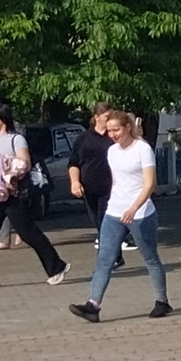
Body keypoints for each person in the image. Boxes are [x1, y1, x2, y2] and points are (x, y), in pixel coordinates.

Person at [69, 110, 168, 321]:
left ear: (128, 128)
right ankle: (93, 305)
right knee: (104, 259)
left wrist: (133, 208)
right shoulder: (112, 151)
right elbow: (116, 181)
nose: (113, 134)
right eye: (109, 131)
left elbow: (150, 184)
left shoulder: (142, 149)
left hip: (141, 213)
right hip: (114, 212)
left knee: (150, 257)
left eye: (117, 130)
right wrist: (114, 204)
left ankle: (162, 301)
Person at [0, 104, 69, 284]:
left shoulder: (16, 139)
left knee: (28, 233)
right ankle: (56, 266)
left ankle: (56, 266)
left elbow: (24, 164)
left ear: (3, 118)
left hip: (13, 194)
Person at [67, 105, 115, 256]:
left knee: (104, 221)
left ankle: (106, 257)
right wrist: (75, 182)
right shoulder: (84, 138)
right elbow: (74, 163)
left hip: (110, 187)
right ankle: (114, 255)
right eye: (106, 117)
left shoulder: (114, 137)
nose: (109, 120)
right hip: (89, 188)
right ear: (97, 117)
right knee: (97, 222)